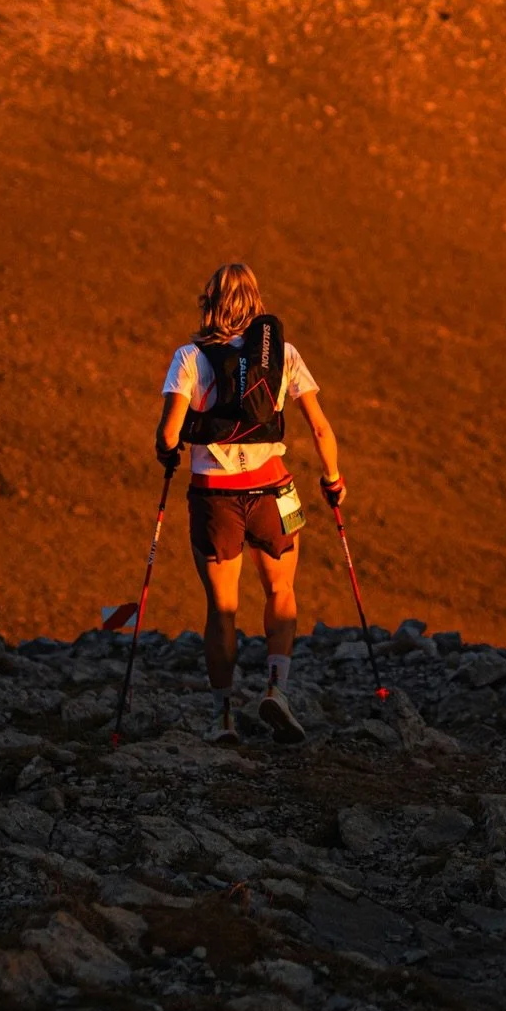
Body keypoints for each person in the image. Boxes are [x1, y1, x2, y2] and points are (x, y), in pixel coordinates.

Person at [155, 262, 344, 747]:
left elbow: (170, 433)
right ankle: (277, 691)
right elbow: (321, 428)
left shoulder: (189, 357)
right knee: (281, 592)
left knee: (222, 609)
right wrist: (333, 480)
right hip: (277, 492)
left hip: (215, 498)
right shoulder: (285, 354)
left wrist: (167, 450)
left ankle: (223, 719)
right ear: (257, 300)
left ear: (210, 302)